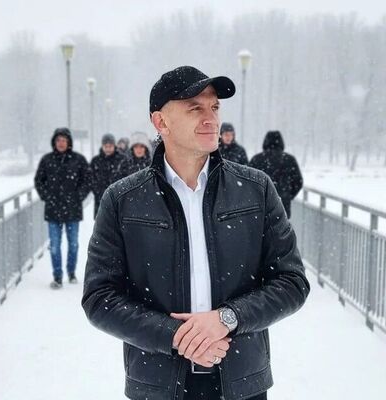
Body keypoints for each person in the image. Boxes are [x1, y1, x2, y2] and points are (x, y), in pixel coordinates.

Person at [82, 66, 310, 400]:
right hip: (158, 386)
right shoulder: (122, 199)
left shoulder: (256, 189)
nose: (211, 118)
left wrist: (227, 318)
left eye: (214, 107)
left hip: (242, 383)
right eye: (195, 108)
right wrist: (175, 336)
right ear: (161, 122)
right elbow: (99, 298)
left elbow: (292, 282)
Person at [35, 127, 91, 289]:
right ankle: (58, 276)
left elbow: (87, 180)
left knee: (73, 245)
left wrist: (78, 197)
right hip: (53, 210)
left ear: (69, 142)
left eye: (64, 140)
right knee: (54, 246)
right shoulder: (47, 160)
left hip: (73, 210)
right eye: (58, 140)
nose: (61, 143)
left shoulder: (78, 160)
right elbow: (39, 181)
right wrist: (47, 196)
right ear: (54, 142)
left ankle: (71, 272)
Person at [249, 130, 303, 218]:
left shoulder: (256, 159)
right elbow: (298, 182)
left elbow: (248, 182)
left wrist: (256, 196)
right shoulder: (289, 159)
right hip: (282, 205)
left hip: (260, 206)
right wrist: (288, 195)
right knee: (282, 225)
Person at [90, 133, 125, 218]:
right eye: (106, 146)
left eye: (110, 146)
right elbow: (90, 179)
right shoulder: (96, 161)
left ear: (114, 146)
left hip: (118, 199)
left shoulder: (122, 159)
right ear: (102, 146)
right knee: (102, 224)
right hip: (100, 199)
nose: (108, 149)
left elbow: (126, 177)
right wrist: (97, 190)